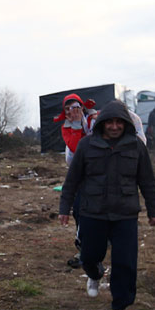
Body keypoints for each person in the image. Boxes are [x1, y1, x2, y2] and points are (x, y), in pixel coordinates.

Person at [58, 100, 155, 310]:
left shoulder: (136, 147)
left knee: (125, 263)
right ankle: (94, 274)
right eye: (110, 122)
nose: (114, 127)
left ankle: (119, 308)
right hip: (92, 212)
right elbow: (72, 180)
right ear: (102, 123)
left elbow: (147, 182)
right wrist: (64, 208)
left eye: (119, 122)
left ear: (126, 123)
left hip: (125, 213)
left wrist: (154, 211)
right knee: (89, 255)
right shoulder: (86, 146)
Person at [53, 93, 96, 268]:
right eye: (68, 109)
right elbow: (77, 150)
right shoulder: (68, 127)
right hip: (81, 175)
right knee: (79, 210)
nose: (73, 112)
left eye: (76, 107)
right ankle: (83, 247)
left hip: (101, 173)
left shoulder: (95, 119)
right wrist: (77, 126)